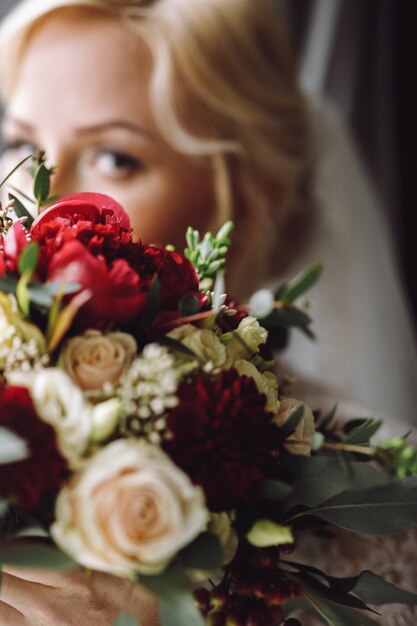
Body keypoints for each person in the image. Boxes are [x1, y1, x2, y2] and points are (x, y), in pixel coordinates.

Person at [0, 1, 416, 624]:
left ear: (244, 202)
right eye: (25, 144)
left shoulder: (381, 493)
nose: (47, 209)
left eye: (116, 157)